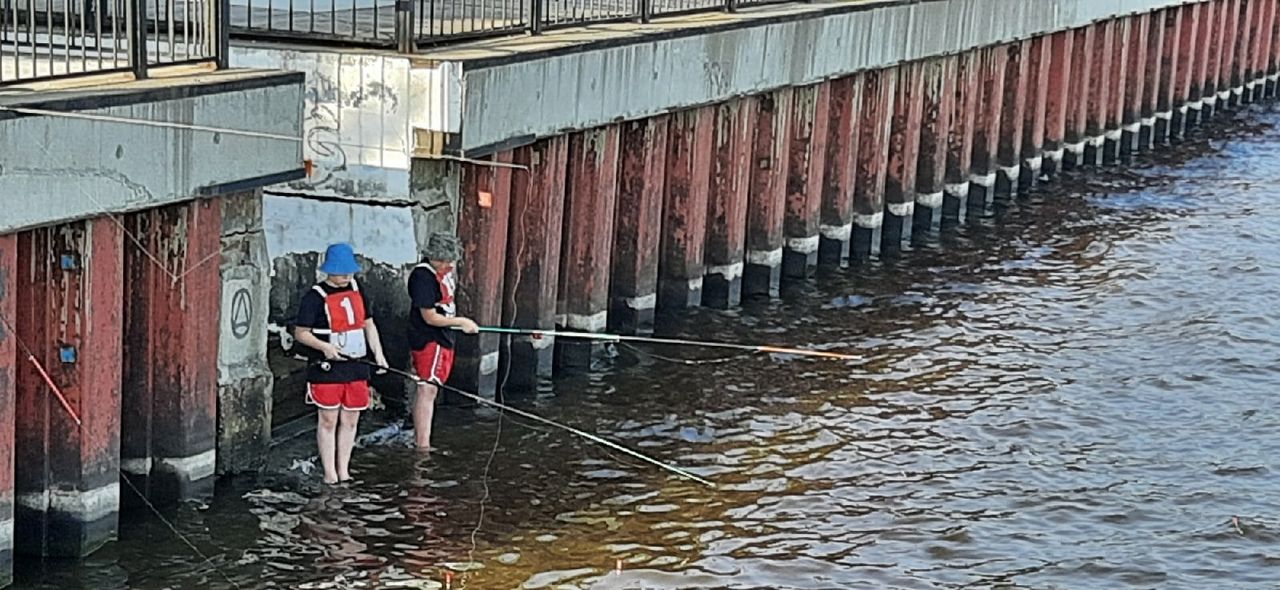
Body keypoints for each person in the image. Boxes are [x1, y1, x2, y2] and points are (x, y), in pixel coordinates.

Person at [293, 243, 388, 484]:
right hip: (327, 367)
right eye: (340, 271)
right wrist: (325, 348)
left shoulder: (358, 289)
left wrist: (379, 355)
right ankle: (329, 473)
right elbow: (301, 333)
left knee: (351, 419)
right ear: (328, 270)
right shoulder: (314, 297)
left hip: (356, 364)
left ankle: (344, 469)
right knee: (328, 419)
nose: (346, 276)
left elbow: (368, 323)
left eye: (349, 271)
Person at [407, 233, 479, 451]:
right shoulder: (422, 277)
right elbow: (429, 316)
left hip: (445, 336)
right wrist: (461, 322)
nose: (448, 265)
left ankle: (422, 436)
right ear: (433, 257)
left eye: (451, 261)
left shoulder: (445, 273)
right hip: (429, 338)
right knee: (427, 388)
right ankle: (422, 443)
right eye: (444, 261)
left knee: (432, 388)